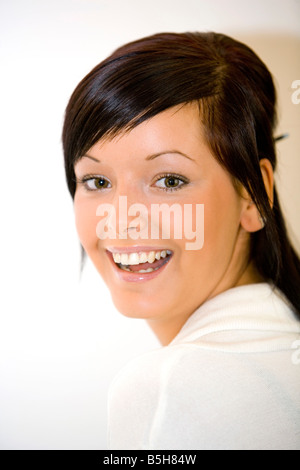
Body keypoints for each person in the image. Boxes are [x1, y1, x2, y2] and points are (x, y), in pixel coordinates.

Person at [62, 32, 300, 450]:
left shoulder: (172, 386)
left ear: (253, 195)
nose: (122, 220)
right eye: (97, 181)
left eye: (169, 180)